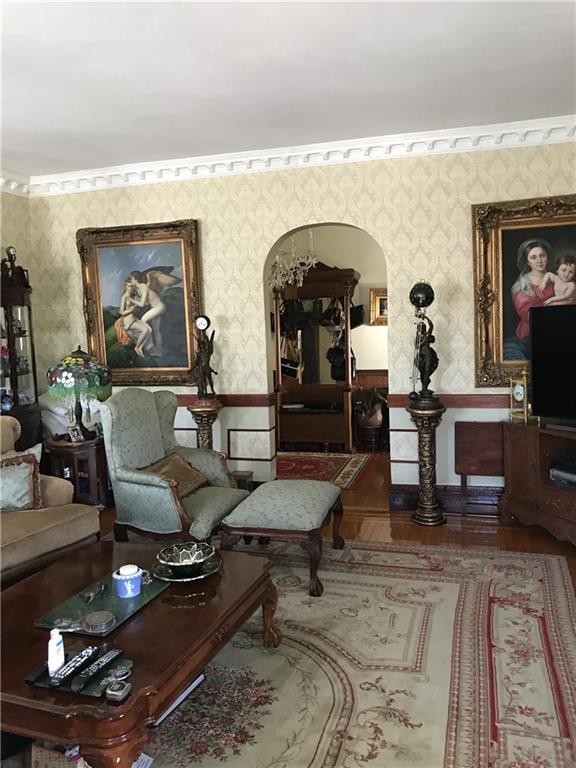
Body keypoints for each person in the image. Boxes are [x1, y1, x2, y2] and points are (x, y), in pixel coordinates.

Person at [503, 239, 555, 360]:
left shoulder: (556, 278)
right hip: (530, 334)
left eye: (542, 256)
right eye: (534, 257)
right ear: (527, 261)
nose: (539, 261)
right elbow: (527, 313)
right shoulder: (521, 285)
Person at [128, 267, 181, 357]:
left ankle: (149, 346)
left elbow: (142, 303)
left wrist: (131, 301)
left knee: (143, 321)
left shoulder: (143, 286)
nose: (130, 280)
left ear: (136, 279)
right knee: (156, 331)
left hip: (159, 307)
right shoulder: (139, 289)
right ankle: (158, 351)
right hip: (156, 307)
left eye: (131, 278)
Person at [114, 277, 153, 356]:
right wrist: (131, 310)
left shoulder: (132, 296)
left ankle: (140, 347)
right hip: (128, 321)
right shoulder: (124, 297)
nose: (130, 288)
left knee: (150, 329)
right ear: (125, 286)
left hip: (134, 318)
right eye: (129, 286)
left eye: (132, 286)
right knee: (145, 330)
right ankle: (137, 347)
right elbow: (121, 312)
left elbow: (141, 302)